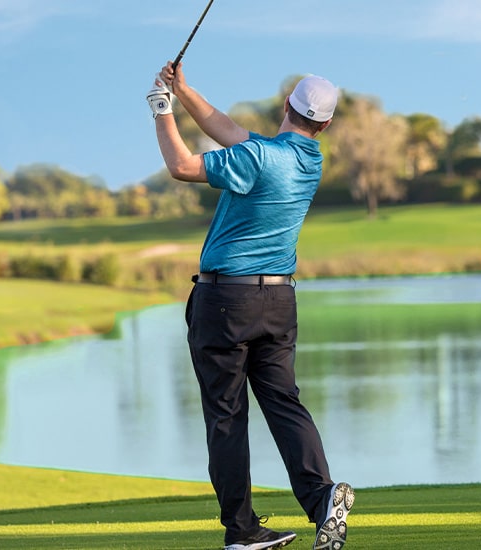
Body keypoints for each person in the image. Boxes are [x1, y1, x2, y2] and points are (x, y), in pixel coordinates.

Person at [148, 62, 354, 550]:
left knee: (225, 415)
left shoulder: (259, 156)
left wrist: (161, 109)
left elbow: (182, 166)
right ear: (323, 125)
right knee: (284, 402)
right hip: (278, 300)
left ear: (286, 105)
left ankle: (241, 531)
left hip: (225, 301)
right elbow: (228, 130)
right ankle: (321, 498)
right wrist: (184, 90)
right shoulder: (307, 159)